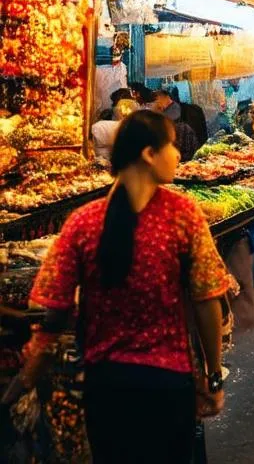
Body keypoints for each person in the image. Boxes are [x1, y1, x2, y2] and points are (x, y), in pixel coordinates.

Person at [7, 110, 230, 464]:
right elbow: (207, 298)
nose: (177, 154)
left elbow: (53, 309)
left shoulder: (83, 222)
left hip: (105, 386)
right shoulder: (182, 214)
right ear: (148, 154)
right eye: (171, 145)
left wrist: (28, 376)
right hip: (169, 385)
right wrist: (213, 376)